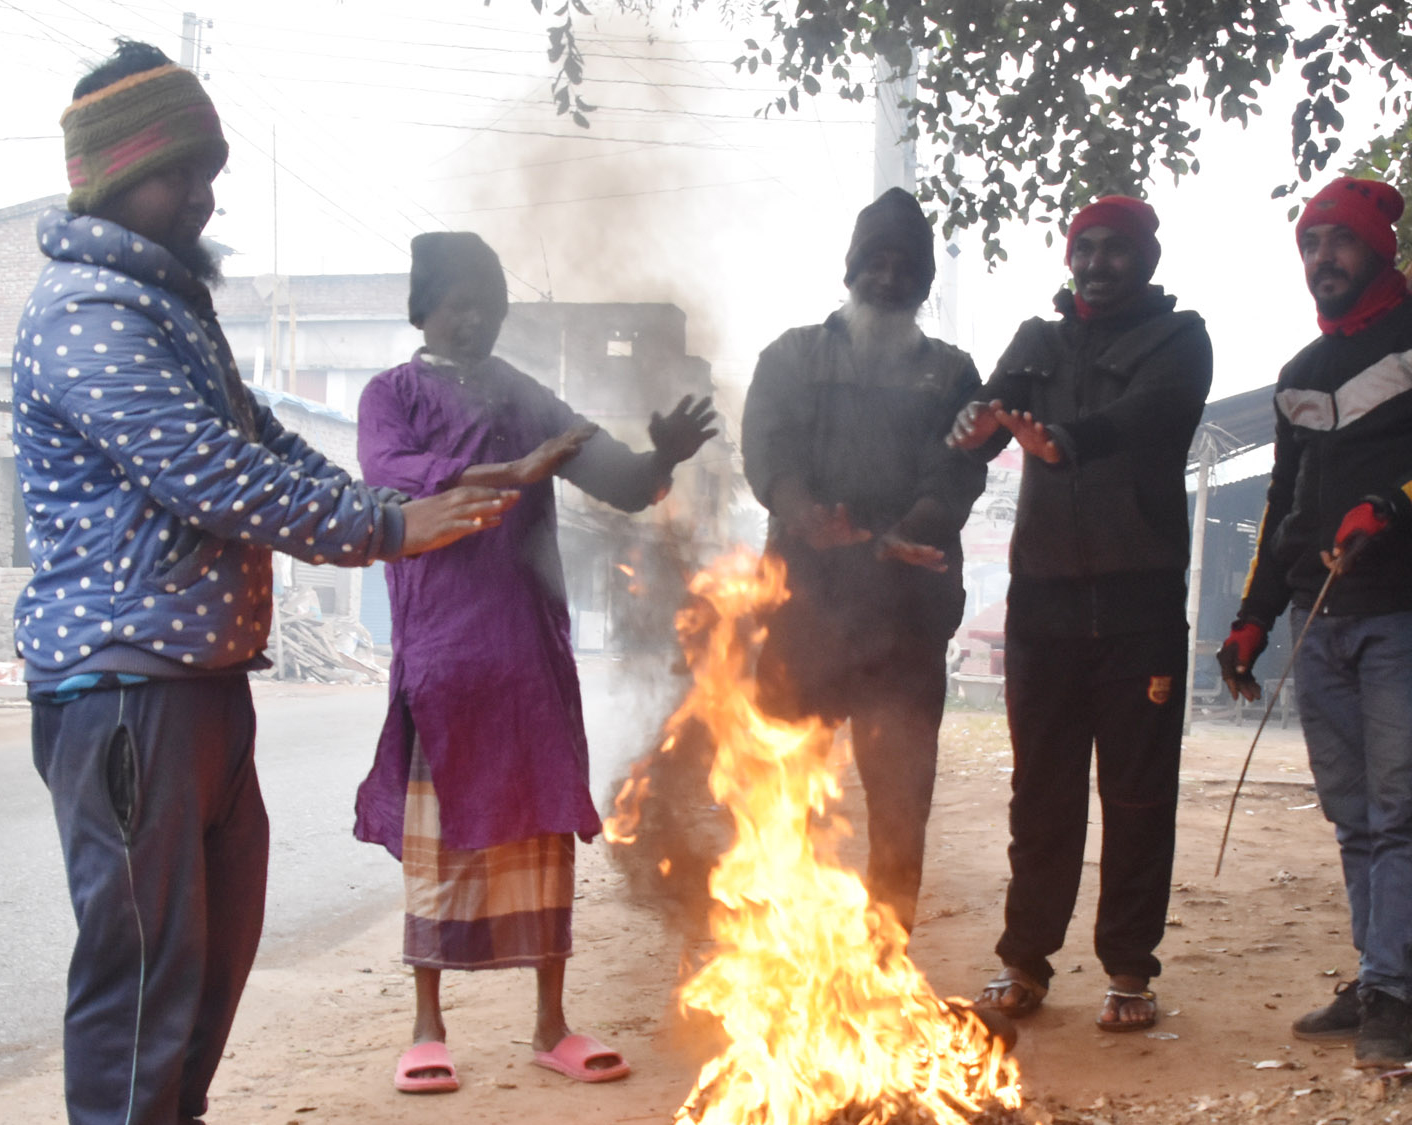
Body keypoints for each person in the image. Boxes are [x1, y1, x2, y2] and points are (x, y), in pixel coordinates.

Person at [11, 42, 514, 1125]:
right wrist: (388, 525)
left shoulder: (165, 304)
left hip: (198, 686)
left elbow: (263, 442)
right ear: (111, 175)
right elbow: (212, 473)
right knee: (143, 984)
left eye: (209, 169)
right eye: (176, 172)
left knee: (204, 968)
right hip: (127, 691)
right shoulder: (88, 311)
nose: (201, 194)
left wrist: (399, 502)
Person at [353, 232, 717, 1094]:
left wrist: (662, 456)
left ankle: (551, 1023)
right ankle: (427, 1026)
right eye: (459, 303)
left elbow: (618, 478)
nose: (475, 319)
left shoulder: (522, 393)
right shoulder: (389, 395)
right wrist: (516, 470)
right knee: (438, 847)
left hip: (527, 655)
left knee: (542, 839)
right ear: (423, 309)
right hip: (443, 654)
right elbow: (393, 475)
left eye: (489, 304)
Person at [1217, 176, 1412, 1066]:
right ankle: (1388, 979)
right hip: (1320, 616)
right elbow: (1284, 506)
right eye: (1310, 245)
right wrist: (1252, 619)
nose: (1323, 258)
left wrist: (1391, 504)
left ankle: (1392, 988)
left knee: (1401, 804)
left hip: (1410, 608)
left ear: (1381, 248)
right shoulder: (1300, 374)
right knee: (1352, 812)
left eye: (1339, 241)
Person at [951, 196, 1212, 1034]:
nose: (1097, 263)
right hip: (1043, 604)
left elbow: (1153, 413)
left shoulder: (1179, 338)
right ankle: (1024, 959)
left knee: (1138, 796)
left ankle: (1130, 968)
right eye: (1085, 249)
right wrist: (972, 423)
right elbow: (990, 415)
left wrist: (1067, 439)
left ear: (1147, 260)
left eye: (1115, 249)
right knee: (1041, 793)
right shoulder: (1038, 340)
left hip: (1140, 603)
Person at [741, 187, 986, 934]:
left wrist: (911, 530)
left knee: (900, 797)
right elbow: (769, 450)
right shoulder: (791, 356)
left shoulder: (951, 374)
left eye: (905, 267)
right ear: (850, 270)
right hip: (805, 610)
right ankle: (780, 946)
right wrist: (803, 513)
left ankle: (885, 954)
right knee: (783, 786)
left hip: (904, 618)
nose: (888, 278)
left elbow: (958, 470)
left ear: (923, 283)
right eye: (875, 262)